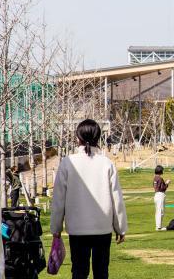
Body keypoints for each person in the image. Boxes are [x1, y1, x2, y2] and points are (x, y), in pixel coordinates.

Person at [51, 119, 127, 279]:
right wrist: (120, 228)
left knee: (79, 272)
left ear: (78, 137)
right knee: (101, 272)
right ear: (98, 137)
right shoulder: (107, 163)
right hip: (102, 227)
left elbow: (58, 200)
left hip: (77, 228)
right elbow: (117, 199)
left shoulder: (67, 163)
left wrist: (56, 229)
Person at [153, 165, 170, 231]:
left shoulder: (155, 178)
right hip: (160, 195)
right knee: (161, 211)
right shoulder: (160, 178)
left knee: (158, 211)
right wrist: (167, 183)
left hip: (156, 194)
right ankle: (159, 227)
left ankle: (158, 226)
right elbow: (163, 188)